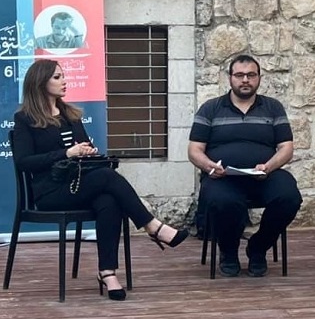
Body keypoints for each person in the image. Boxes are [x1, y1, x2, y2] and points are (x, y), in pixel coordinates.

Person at [11, 59, 189, 301]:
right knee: (107, 177)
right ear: (40, 82)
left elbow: (82, 148)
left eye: (63, 76)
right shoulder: (25, 119)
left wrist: (87, 152)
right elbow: (24, 162)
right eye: (57, 77)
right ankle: (153, 227)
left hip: (78, 184)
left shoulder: (71, 115)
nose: (64, 81)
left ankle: (107, 273)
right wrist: (66, 153)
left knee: (108, 201)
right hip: (50, 192)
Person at [188, 54, 302, 277]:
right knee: (224, 201)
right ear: (230, 78)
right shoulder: (210, 108)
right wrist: (210, 167)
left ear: (259, 78)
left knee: (289, 197)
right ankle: (229, 252)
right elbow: (194, 150)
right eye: (239, 75)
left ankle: (258, 247)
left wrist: (269, 166)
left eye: (251, 75)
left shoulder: (273, 107)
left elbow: (286, 148)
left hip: (265, 175)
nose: (245, 80)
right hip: (223, 178)